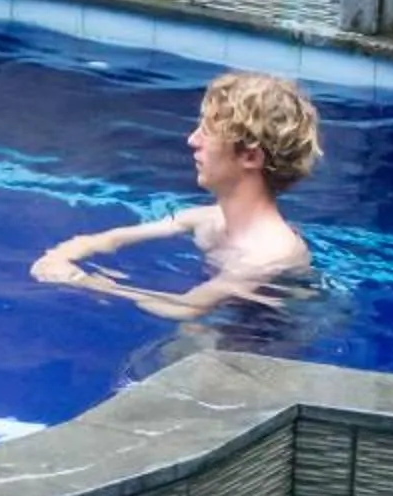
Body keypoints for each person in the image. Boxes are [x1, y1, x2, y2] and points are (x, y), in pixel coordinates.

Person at [31, 71, 322, 322]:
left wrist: (83, 281)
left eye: (207, 131)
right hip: (226, 321)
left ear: (250, 156)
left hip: (266, 345)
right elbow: (111, 239)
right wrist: (63, 254)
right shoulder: (205, 218)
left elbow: (185, 307)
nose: (192, 140)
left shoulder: (270, 255)